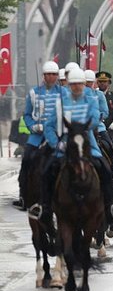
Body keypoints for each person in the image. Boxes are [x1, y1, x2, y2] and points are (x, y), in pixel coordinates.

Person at [28, 68, 113, 225]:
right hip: (65, 145)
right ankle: (43, 206)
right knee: (47, 170)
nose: (77, 87)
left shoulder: (91, 100)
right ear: (69, 85)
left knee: (105, 170)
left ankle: (110, 207)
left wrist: (78, 128)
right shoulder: (61, 103)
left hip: (87, 143)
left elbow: (95, 118)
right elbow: (50, 126)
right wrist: (56, 143)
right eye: (73, 84)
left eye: (80, 84)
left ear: (84, 84)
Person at [12, 60, 65, 210]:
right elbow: (27, 115)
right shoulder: (34, 93)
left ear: (57, 76)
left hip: (57, 134)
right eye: (48, 74)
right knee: (27, 159)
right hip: (38, 136)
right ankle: (23, 196)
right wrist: (33, 126)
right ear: (43, 76)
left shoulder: (64, 93)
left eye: (54, 74)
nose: (51, 77)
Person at [85, 69, 113, 184]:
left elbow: (105, 112)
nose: (88, 84)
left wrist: (98, 118)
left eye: (90, 82)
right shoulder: (75, 96)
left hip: (99, 127)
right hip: (81, 129)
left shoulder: (99, 95)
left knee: (110, 146)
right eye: (86, 82)